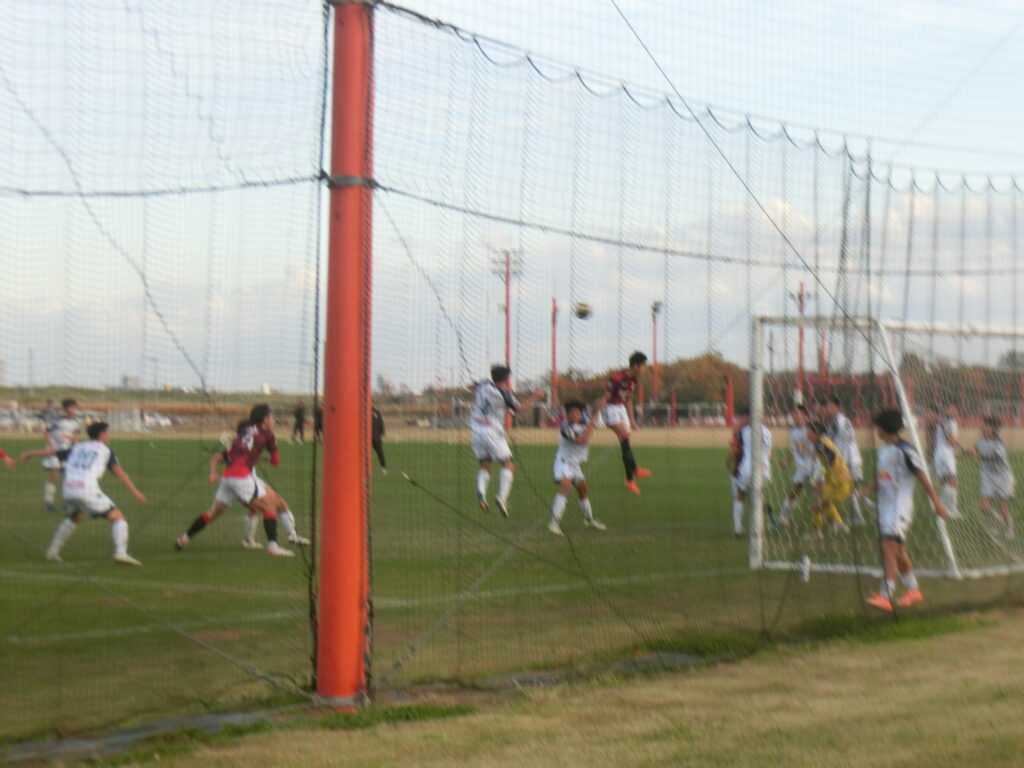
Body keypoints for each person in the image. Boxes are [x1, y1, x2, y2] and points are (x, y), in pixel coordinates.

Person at [174, 404, 294, 556]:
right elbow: (276, 462)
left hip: (227, 477)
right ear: (265, 419)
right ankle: (272, 545)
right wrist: (266, 457)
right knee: (270, 505)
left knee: (214, 512)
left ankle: (184, 538)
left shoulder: (244, 431)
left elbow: (236, 450)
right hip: (241, 477)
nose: (272, 420)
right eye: (271, 417)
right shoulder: (268, 435)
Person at [860, 409, 948, 611]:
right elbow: (884, 475)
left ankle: (885, 594)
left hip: (899, 508)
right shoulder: (884, 450)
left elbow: (921, 475)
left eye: (877, 426)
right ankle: (913, 591)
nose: (876, 430)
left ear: (883, 428)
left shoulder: (906, 450)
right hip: (885, 507)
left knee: (888, 547)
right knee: (898, 552)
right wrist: (867, 489)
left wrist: (937, 502)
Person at [44, 421, 146, 565]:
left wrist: (30, 454)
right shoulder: (105, 450)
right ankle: (120, 553)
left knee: (75, 517)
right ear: (102, 434)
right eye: (107, 433)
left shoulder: (78, 446)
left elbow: (53, 453)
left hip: (68, 489)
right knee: (117, 517)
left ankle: (52, 552)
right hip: (86, 489)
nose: (108, 435)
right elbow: (121, 474)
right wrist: (136, 492)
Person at [470, 365, 544, 518]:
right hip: (492, 432)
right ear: (505, 379)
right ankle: (502, 497)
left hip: (476, 432)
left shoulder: (483, 385)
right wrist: (536, 397)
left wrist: (480, 395)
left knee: (485, 465)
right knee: (508, 464)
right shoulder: (504, 394)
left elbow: (470, 386)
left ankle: (481, 492)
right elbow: (520, 408)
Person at [547, 396, 609, 536]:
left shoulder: (586, 419)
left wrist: (598, 408)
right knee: (566, 487)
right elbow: (583, 440)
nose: (574, 415)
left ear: (581, 413)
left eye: (577, 412)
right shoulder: (565, 427)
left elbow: (598, 420)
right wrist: (593, 420)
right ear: (566, 414)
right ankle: (554, 523)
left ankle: (589, 520)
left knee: (582, 490)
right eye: (571, 413)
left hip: (575, 464)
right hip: (563, 462)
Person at [603, 351, 652, 494]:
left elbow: (629, 400)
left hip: (621, 409)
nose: (644, 368)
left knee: (626, 445)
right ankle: (635, 469)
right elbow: (606, 396)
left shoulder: (634, 380)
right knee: (624, 436)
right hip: (610, 408)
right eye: (643, 365)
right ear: (635, 365)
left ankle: (629, 481)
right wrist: (597, 414)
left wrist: (632, 420)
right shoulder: (617, 378)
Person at [19, 398, 80, 511]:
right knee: (54, 474)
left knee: (68, 477)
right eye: (70, 408)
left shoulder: (76, 422)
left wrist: (76, 446)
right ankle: (48, 501)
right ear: (65, 409)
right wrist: (51, 446)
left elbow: (75, 437)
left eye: (74, 408)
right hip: (54, 449)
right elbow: (47, 434)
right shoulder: (58, 421)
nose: (72, 410)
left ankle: (67, 502)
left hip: (65, 450)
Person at [967, 416, 1015, 539]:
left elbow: (995, 458)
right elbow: (976, 449)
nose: (981, 426)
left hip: (1003, 477)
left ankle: (1009, 529)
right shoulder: (980, 439)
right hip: (987, 474)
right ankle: (998, 520)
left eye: (985, 425)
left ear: (992, 428)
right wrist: (966, 452)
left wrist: (978, 455)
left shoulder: (998, 442)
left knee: (1002, 507)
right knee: (984, 507)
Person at [729, 406, 772, 537]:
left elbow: (737, 449)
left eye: (742, 418)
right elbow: (769, 454)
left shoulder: (744, 431)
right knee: (757, 497)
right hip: (764, 469)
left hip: (748, 468)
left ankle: (737, 527)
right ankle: (758, 529)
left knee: (740, 495)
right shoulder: (768, 432)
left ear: (749, 418)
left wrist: (734, 439)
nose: (740, 420)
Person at [823, 396, 866, 525]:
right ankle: (858, 516)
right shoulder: (844, 420)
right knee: (847, 488)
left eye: (829, 406)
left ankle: (837, 520)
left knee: (838, 488)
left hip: (845, 460)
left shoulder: (836, 422)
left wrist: (843, 462)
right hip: (853, 457)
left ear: (836, 407)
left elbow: (833, 441)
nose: (827, 408)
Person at [778, 405, 820, 527]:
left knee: (822, 495)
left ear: (805, 416)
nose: (794, 416)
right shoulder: (793, 431)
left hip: (815, 467)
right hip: (802, 468)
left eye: (797, 414)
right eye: (794, 414)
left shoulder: (811, 429)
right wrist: (786, 461)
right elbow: (795, 449)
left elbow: (818, 448)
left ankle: (835, 522)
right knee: (793, 493)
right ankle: (783, 518)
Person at [807, 421, 851, 536]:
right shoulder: (823, 442)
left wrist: (817, 478)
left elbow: (830, 456)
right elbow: (826, 461)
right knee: (823, 503)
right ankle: (839, 526)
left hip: (837, 480)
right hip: (840, 478)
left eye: (809, 431)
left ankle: (817, 531)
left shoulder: (820, 444)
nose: (807, 433)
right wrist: (819, 477)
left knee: (818, 506)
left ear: (815, 433)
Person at [930, 403, 962, 519]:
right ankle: (945, 508)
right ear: (947, 410)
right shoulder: (946, 422)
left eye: (954, 409)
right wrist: (962, 448)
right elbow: (950, 439)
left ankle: (948, 509)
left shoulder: (948, 422)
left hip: (943, 454)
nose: (953, 411)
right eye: (950, 409)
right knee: (952, 481)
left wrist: (954, 451)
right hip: (945, 456)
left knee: (946, 483)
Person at [372, 406, 387, 475]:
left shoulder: (376, 412)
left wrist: (381, 433)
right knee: (366, 454)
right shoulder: (364, 412)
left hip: (376, 437)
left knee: (380, 453)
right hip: (367, 438)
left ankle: (383, 468)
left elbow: (381, 423)